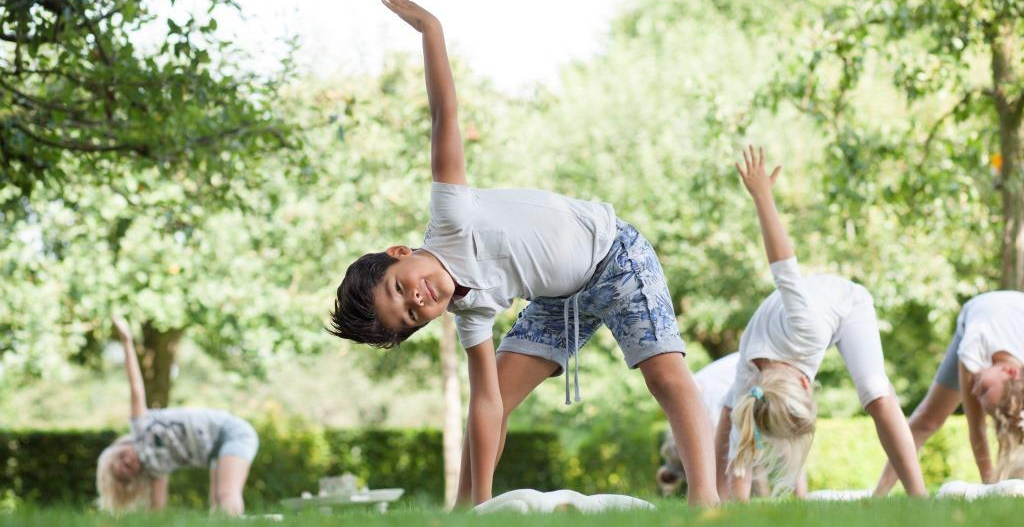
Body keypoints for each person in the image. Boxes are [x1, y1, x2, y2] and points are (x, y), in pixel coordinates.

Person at [328, 0, 719, 507]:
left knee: (664, 373)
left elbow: (445, 113)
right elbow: (487, 404)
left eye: (401, 286)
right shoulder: (470, 315)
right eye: (409, 313)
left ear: (400, 252)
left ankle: (708, 502)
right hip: (559, 298)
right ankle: (468, 511)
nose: (418, 298)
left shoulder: (450, 216)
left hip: (615, 257)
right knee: (498, 395)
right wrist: (486, 506)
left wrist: (429, 28)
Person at [714, 147, 926, 500]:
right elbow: (741, 446)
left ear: (804, 383)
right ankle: (712, 498)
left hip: (848, 306)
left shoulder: (802, 329)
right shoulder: (751, 380)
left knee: (875, 392)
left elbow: (784, 268)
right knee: (732, 409)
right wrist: (732, 507)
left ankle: (919, 498)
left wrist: (762, 196)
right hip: (802, 327)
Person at [95, 315, 258, 515]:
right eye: (128, 470)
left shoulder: (140, 428)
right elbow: (158, 510)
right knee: (217, 507)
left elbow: (136, 387)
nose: (129, 461)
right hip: (216, 448)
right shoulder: (155, 469)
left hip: (232, 432)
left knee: (226, 495)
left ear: (120, 446)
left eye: (122, 458)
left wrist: (127, 341)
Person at [873, 291, 1024, 494]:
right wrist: (989, 488)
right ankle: (879, 494)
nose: (973, 389)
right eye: (984, 390)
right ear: (1009, 371)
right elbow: (977, 430)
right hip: (980, 311)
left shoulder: (993, 376)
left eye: (981, 393)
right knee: (928, 419)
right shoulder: (973, 349)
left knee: (1012, 428)